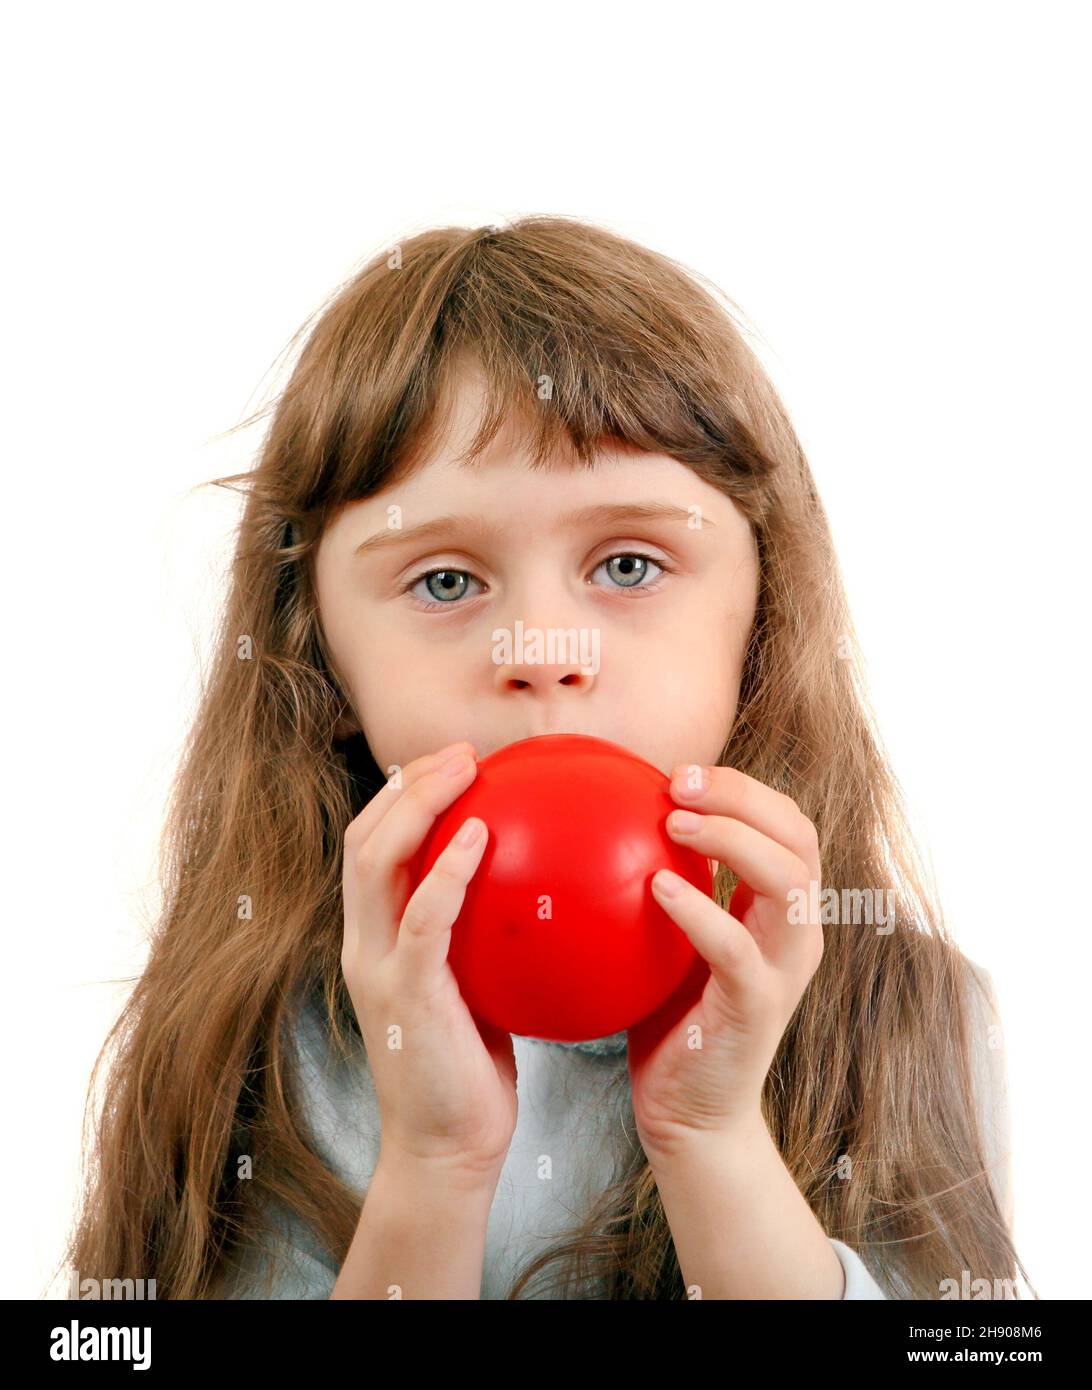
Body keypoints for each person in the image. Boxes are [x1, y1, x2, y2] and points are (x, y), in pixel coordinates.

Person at [60, 217, 1031, 1299]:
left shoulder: (906, 1015)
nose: (542, 652)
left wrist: (712, 1140)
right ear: (320, 661)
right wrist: (434, 1165)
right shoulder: (257, 1040)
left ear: (760, 625)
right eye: (445, 582)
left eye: (627, 562)